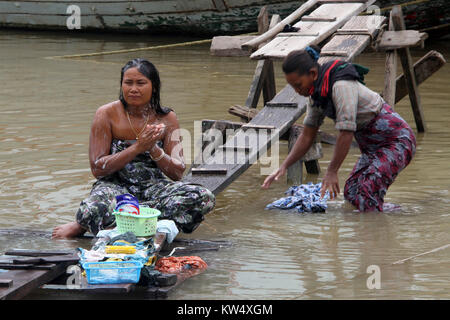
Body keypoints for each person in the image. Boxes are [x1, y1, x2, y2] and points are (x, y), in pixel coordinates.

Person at [53, 58, 215, 239]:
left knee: (204, 196)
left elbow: (177, 173)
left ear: (153, 86)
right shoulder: (106, 114)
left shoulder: (167, 118)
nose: (133, 89)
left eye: (141, 83)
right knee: (91, 210)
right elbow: (98, 169)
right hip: (114, 187)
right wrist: (138, 147)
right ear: (121, 85)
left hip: (153, 188)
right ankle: (138, 219)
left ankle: (128, 216)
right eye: (128, 83)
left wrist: (154, 149)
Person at [262, 46, 416, 212]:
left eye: (298, 85)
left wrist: (332, 171)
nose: (297, 91)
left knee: (367, 189)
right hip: (372, 148)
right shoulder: (316, 96)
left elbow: (346, 132)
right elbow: (307, 135)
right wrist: (284, 165)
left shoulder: (341, 86)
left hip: (397, 141)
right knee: (351, 193)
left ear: (313, 74)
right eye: (293, 87)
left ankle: (375, 232)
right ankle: (387, 217)